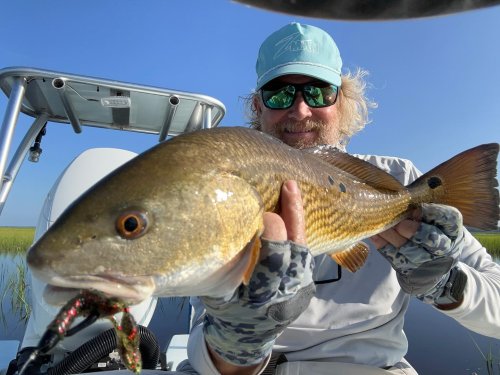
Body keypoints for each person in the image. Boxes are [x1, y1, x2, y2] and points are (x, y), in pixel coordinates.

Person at [179, 22, 500, 375]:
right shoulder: (229, 186)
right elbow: (205, 347)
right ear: (258, 106)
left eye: (318, 93)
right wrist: (240, 340)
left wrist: (446, 283)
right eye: (280, 94)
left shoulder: (400, 179)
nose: (300, 111)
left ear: (342, 102)